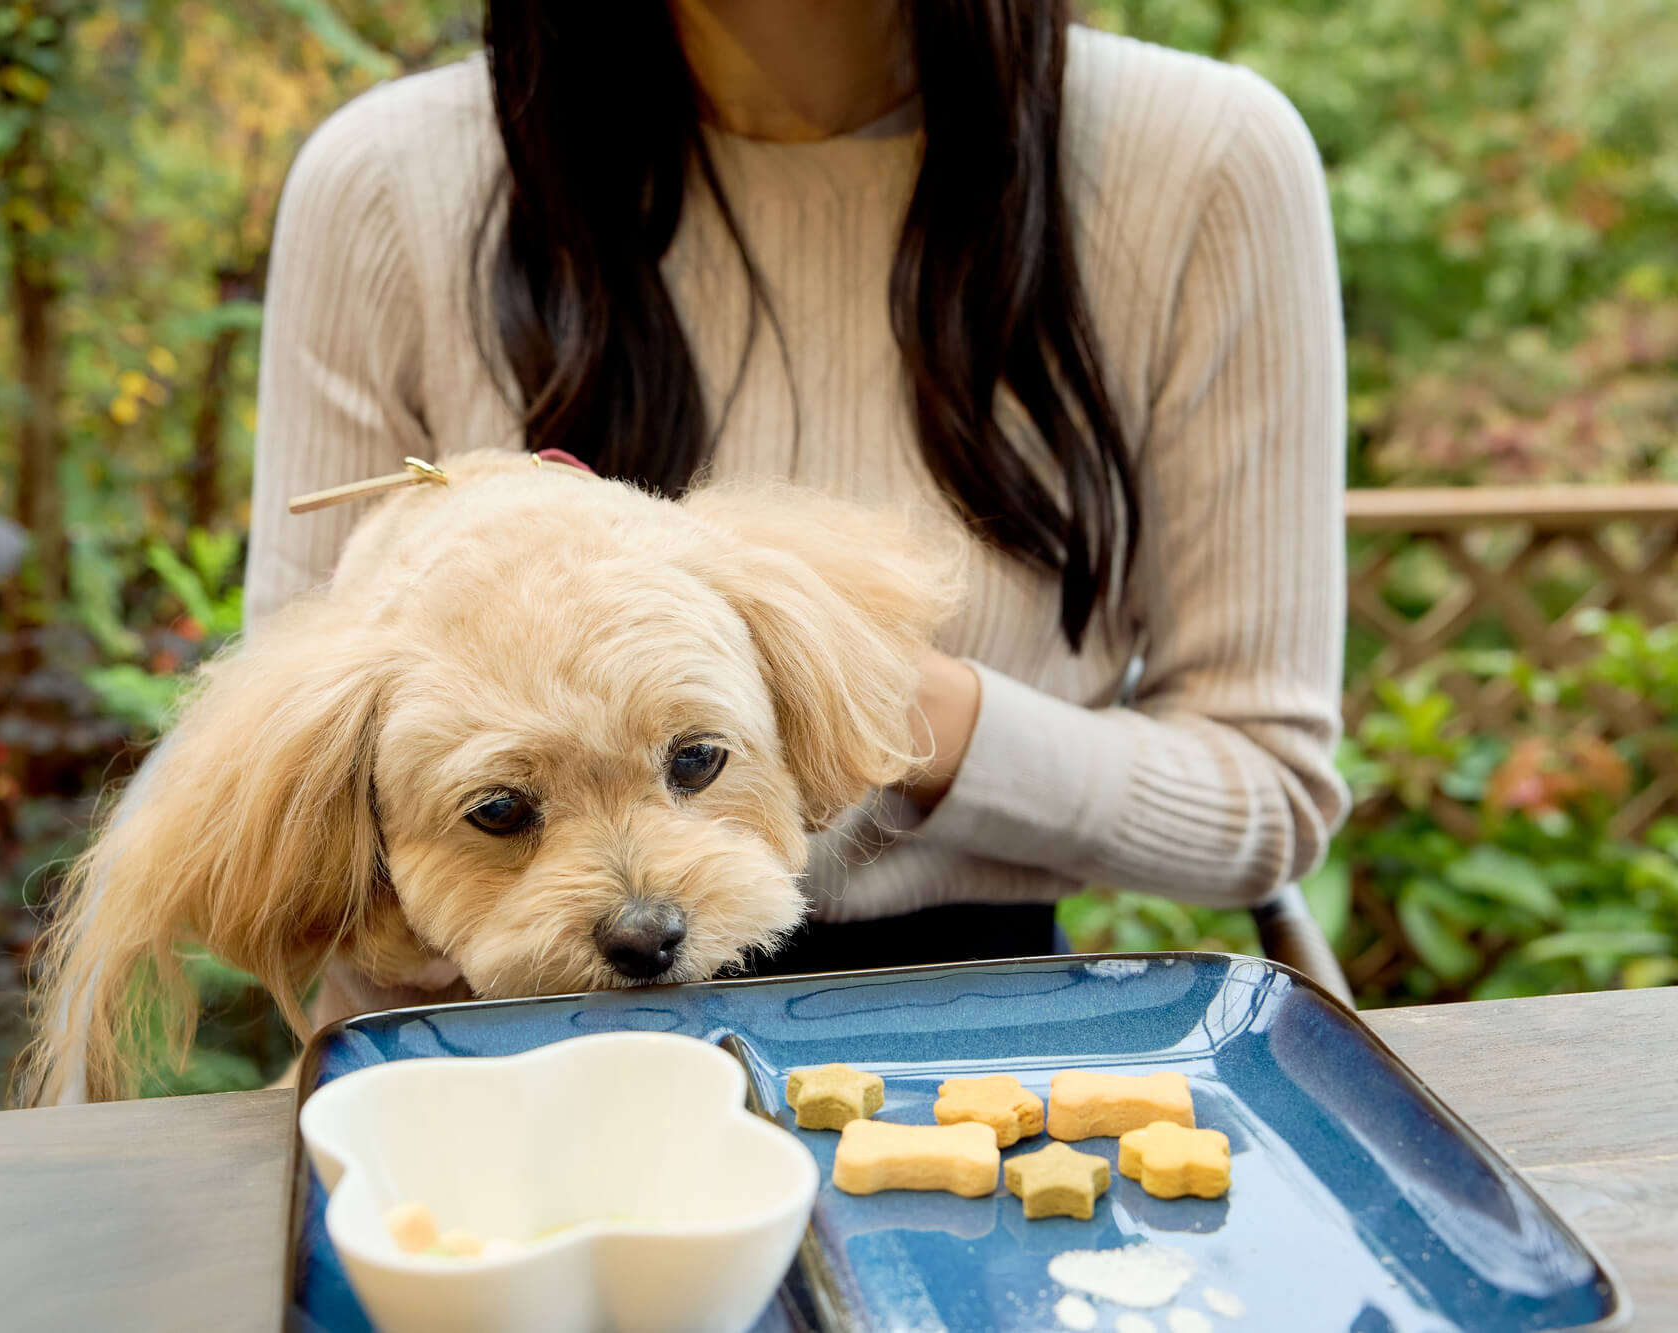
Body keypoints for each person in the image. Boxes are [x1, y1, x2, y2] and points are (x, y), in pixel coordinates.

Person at [244, 0, 1349, 977]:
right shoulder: (384, 183)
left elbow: (1266, 794)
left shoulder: (1207, 161)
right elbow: (294, 853)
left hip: (959, 1022)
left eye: (694, 762)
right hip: (501, 1034)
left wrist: (859, 698)